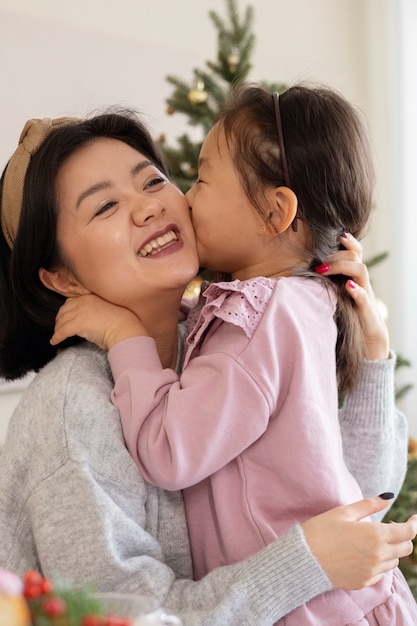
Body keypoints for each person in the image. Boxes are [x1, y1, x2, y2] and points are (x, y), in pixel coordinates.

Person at [0, 111, 415, 626]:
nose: (148, 207)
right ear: (61, 277)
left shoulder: (229, 331)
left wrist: (375, 355)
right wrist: (306, 564)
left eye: (153, 180)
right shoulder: (69, 411)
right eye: (106, 205)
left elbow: (358, 496)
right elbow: (127, 618)